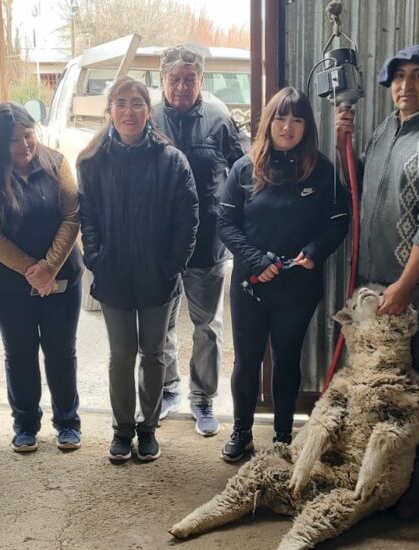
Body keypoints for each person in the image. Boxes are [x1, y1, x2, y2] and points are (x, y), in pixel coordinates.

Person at [333, 44, 419, 517]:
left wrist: (407, 283)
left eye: (418, 76)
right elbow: (361, 189)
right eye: (397, 78)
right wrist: (343, 146)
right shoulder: (384, 130)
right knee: (381, 381)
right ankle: (379, 470)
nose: (406, 86)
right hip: (377, 284)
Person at [217, 87, 349, 462]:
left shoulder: (321, 171)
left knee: (287, 359)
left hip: (298, 288)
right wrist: (257, 260)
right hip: (251, 286)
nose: (287, 126)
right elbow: (226, 223)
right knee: (246, 360)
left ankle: (282, 437)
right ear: (268, 122)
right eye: (280, 117)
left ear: (306, 126)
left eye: (297, 119)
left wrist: (314, 251)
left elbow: (339, 221)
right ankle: (242, 432)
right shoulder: (245, 168)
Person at [78, 77, 198, 463]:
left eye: (137, 104)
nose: (129, 111)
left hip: (156, 277)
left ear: (149, 111)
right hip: (113, 276)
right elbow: (88, 217)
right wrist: (95, 257)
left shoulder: (171, 160)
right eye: (121, 103)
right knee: (121, 354)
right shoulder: (93, 161)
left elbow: (188, 219)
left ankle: (147, 429)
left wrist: (172, 265)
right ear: (110, 110)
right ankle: (121, 429)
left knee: (153, 353)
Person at [0, 102, 83, 453]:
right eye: (13, 140)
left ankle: (68, 422)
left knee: (61, 352)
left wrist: (49, 267)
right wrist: (32, 272)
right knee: (19, 354)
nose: (23, 145)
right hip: (9, 285)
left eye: (28, 135)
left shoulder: (57, 162)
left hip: (62, 278)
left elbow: (72, 215)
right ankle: (25, 425)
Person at [150, 45, 247, 435]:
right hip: (158, 242)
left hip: (207, 240)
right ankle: (168, 388)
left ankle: (203, 397)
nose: (182, 86)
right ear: (162, 82)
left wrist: (235, 222)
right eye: (174, 79)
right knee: (162, 322)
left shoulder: (219, 116)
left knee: (206, 324)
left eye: (190, 79)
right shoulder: (147, 116)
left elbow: (242, 170)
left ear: (201, 81)